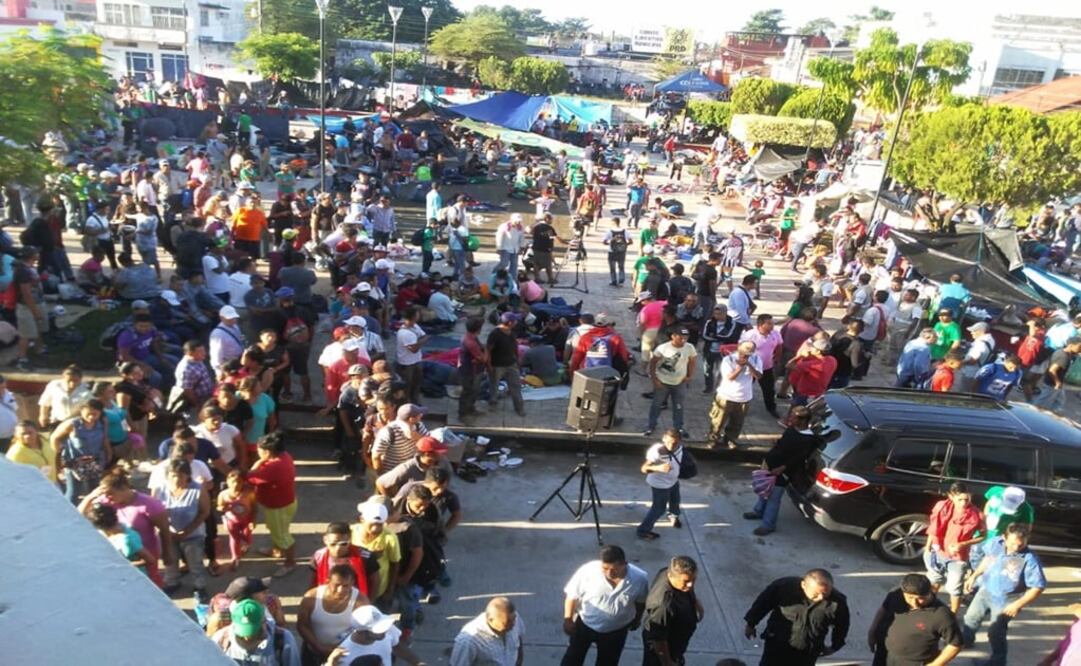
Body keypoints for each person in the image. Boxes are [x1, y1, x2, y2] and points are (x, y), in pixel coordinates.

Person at [961, 523, 1046, 666]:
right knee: (971, 617)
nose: (1016, 548)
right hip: (986, 590)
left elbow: (1037, 587)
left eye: (1021, 545)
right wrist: (974, 576)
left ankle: (997, 662)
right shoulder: (995, 543)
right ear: (1004, 538)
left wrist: (1017, 605)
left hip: (1007, 599)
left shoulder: (1029, 559)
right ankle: (965, 641)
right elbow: (987, 559)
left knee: (996, 632)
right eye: (1013, 544)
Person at [561, 545, 649, 666]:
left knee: (608, 662)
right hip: (585, 625)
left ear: (625, 564)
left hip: (616, 631)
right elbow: (572, 595)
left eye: (614, 569)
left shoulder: (640, 578)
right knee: (572, 659)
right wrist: (568, 619)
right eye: (605, 568)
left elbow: (640, 602)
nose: (609, 573)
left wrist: (637, 619)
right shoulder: (588, 571)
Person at [744, 569, 850, 666]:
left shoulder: (837, 603)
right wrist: (751, 623)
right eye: (816, 594)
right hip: (777, 646)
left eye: (825, 593)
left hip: (808, 653)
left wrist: (835, 646)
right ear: (803, 585)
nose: (821, 598)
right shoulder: (783, 587)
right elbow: (762, 604)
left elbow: (842, 625)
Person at [743, 406, 819, 536]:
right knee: (764, 490)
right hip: (770, 465)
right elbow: (782, 443)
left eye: (793, 417)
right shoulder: (791, 429)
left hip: (782, 472)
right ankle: (759, 511)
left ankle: (768, 525)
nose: (790, 419)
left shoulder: (808, 439)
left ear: (802, 420)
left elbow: (799, 458)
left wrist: (782, 468)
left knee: (774, 497)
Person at [867, 573, 963, 666]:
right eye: (910, 597)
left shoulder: (942, 614)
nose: (914, 603)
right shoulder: (895, 595)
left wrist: (934, 664)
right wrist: (872, 631)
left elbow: (955, 645)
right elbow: (883, 610)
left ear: (930, 591)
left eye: (920, 598)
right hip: (884, 654)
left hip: (914, 662)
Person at [155, 458, 211, 599]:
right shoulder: (160, 489)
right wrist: (167, 530)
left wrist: (187, 531)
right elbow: (154, 511)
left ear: (187, 475)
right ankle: (172, 582)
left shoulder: (197, 489)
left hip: (193, 534)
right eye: (172, 475)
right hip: (168, 533)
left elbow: (204, 512)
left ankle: (199, 586)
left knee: (195, 562)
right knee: (170, 560)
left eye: (180, 475)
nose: (176, 479)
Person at [924, 481, 983, 613]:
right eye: (960, 499)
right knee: (934, 581)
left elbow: (983, 536)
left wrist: (963, 544)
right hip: (937, 551)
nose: (963, 503)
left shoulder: (977, 514)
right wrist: (927, 548)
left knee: (955, 588)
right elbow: (934, 528)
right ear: (951, 496)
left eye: (966, 499)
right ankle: (928, 608)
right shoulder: (941, 507)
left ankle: (953, 614)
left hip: (958, 558)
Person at [247, 432, 297, 577]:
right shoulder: (284, 456)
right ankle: (277, 550)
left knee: (283, 536)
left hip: (278, 507)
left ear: (267, 452)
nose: (258, 452)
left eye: (259, 450)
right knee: (279, 530)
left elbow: (250, 476)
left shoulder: (273, 467)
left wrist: (258, 462)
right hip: (286, 502)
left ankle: (289, 563)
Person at [296, 564, 366, 666]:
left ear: (353, 583)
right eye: (337, 585)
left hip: (344, 654)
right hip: (312, 652)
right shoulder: (311, 597)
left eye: (346, 586)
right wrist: (318, 647)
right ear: (327, 580)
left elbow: (364, 630)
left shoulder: (360, 601)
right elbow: (302, 625)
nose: (340, 590)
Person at [641, 555, 702, 666]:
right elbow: (659, 640)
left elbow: (689, 587)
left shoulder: (668, 573)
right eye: (686, 581)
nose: (690, 585)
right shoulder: (663, 606)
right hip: (666, 650)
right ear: (671, 576)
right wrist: (668, 663)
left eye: (694, 579)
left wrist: (695, 602)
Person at [51, 399, 111, 504]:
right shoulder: (73, 424)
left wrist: (109, 453)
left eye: (95, 414)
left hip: (95, 461)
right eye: (88, 414)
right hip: (75, 463)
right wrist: (59, 454)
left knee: (95, 489)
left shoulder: (102, 422)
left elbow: (105, 438)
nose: (92, 417)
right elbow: (55, 438)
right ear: (82, 411)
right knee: (74, 492)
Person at [212, 598, 302, 666]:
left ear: (264, 621)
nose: (247, 637)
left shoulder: (283, 639)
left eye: (252, 631)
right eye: (243, 632)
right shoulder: (220, 640)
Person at [326, 605, 424, 665]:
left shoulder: (387, 629)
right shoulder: (343, 654)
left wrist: (417, 662)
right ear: (362, 632)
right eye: (378, 629)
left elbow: (397, 646)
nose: (385, 630)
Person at [644, 328, 696, 438]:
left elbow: (692, 361)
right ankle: (651, 425)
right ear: (673, 336)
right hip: (662, 382)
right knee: (656, 405)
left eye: (686, 338)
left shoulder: (689, 347)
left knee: (678, 406)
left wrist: (689, 376)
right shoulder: (663, 348)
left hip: (679, 383)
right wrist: (654, 379)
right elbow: (653, 363)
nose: (683, 340)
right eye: (681, 337)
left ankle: (679, 428)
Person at [709, 341, 761, 450]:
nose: (745, 356)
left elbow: (758, 375)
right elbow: (730, 377)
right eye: (743, 353)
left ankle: (730, 439)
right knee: (718, 421)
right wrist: (739, 367)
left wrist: (748, 365)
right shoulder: (728, 359)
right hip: (726, 396)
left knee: (737, 422)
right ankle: (713, 439)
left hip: (744, 397)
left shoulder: (756, 359)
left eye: (748, 354)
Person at [636, 429, 686, 541]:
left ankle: (673, 516)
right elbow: (644, 468)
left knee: (675, 500)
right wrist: (657, 468)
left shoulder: (680, 448)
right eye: (668, 442)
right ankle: (643, 531)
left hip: (673, 481)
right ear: (663, 439)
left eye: (674, 443)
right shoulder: (656, 451)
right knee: (658, 509)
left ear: (679, 442)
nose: (671, 446)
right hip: (660, 486)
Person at [450, 596, 525, 666]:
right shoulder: (468, 641)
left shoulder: (513, 618)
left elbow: (518, 639)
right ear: (490, 620)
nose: (514, 624)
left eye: (514, 618)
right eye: (507, 622)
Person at [740, 314, 781, 418]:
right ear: (760, 325)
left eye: (772, 323)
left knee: (769, 389)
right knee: (746, 387)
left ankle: (771, 408)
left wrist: (777, 358)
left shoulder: (775, 334)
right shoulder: (749, 335)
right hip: (751, 367)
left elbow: (779, 345)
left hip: (767, 367)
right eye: (769, 323)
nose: (772, 326)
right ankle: (740, 408)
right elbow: (741, 348)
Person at [487, 312, 526, 417]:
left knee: (516, 386)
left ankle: (519, 407)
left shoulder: (512, 332)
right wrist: (489, 365)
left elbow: (515, 347)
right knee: (494, 386)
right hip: (497, 365)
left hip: (511, 364)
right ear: (509, 323)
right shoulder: (495, 334)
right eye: (515, 321)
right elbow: (488, 350)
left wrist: (517, 360)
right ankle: (493, 403)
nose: (517, 322)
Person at [1032, 336, 1081, 411]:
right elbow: (1052, 370)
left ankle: (1049, 414)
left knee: (1060, 401)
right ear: (1071, 345)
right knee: (1040, 404)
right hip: (1052, 384)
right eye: (1079, 346)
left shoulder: (1061, 352)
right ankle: (1032, 415)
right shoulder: (1064, 356)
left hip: (1057, 384)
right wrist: (1057, 382)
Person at [38, 364, 91, 429]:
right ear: (63, 378)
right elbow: (45, 402)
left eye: (75, 381)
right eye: (69, 381)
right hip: (56, 420)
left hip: (77, 422)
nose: (72, 384)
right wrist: (43, 416)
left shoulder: (87, 389)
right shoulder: (54, 385)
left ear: (80, 379)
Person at [395, 307, 427, 406]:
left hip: (417, 360)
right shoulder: (404, 333)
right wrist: (422, 341)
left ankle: (415, 399)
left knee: (417, 382)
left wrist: (418, 342)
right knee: (407, 384)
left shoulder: (415, 326)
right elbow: (414, 349)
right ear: (414, 316)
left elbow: (423, 336)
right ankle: (407, 402)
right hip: (406, 363)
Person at [457, 317, 488, 421]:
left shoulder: (469, 337)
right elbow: (482, 358)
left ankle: (470, 409)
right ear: (478, 329)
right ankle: (463, 415)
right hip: (469, 371)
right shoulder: (471, 342)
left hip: (471, 368)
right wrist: (488, 352)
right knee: (467, 392)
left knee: (474, 391)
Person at [602, 217, 629, 286]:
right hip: (622, 252)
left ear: (613, 222)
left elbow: (604, 241)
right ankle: (621, 279)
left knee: (612, 267)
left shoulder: (609, 231)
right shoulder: (625, 231)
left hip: (612, 251)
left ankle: (613, 280)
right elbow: (630, 241)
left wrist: (610, 243)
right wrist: (624, 245)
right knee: (621, 266)